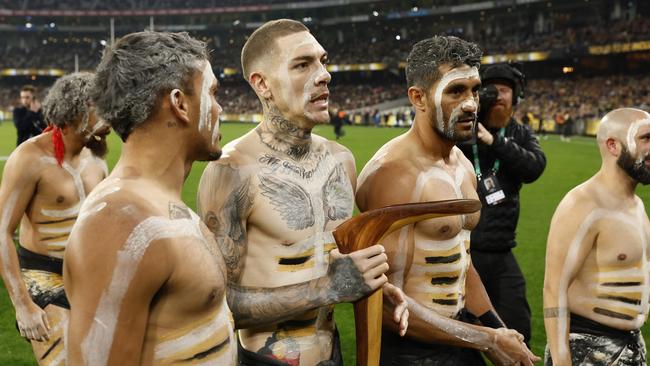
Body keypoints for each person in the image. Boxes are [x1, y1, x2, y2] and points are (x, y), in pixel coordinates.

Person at [197, 19, 407, 366]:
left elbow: (330, 261)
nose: (323, 74)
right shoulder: (231, 172)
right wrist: (328, 289)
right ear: (262, 84)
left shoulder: (342, 161)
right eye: (302, 65)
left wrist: (374, 289)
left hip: (333, 355)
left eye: (323, 61)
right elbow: (215, 303)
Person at [356, 36, 539, 366]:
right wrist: (487, 339)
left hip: (457, 335)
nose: (471, 104)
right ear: (419, 98)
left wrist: (498, 330)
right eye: (456, 91)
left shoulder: (463, 166)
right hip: (409, 352)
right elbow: (382, 305)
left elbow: (461, 262)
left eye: (474, 89)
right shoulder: (394, 175)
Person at [63, 31, 241, 365]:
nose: (219, 107)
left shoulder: (155, 204)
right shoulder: (120, 222)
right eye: (213, 93)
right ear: (180, 103)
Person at [0, 72, 109, 365]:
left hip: (89, 275)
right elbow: (0, 232)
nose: (110, 109)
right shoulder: (29, 158)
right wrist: (23, 305)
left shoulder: (97, 157)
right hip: (43, 276)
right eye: (100, 103)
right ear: (76, 110)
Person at [544, 108, 650, 365]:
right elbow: (553, 288)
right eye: (646, 138)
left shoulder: (636, 206)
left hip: (631, 345)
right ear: (613, 145)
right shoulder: (583, 204)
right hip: (587, 350)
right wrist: (561, 360)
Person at [458, 62, 546, 346]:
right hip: (464, 251)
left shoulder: (520, 133)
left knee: (519, 330)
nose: (497, 95)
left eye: (505, 90)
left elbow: (534, 167)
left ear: (516, 96)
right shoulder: (462, 127)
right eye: (489, 89)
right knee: (463, 335)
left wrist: (494, 142)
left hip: (502, 251)